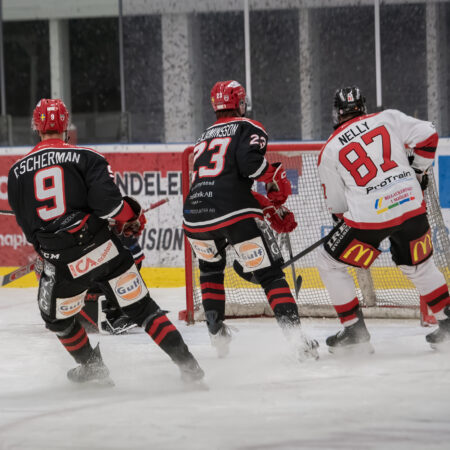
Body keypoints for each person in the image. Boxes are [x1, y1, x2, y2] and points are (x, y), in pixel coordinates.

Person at [8, 98, 204, 384]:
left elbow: (30, 229)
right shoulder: (87, 157)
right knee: (143, 308)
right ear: (66, 126)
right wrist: (130, 217)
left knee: (57, 320)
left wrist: (48, 251)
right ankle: (189, 367)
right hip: (102, 248)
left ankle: (93, 367)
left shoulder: (16, 172)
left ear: (36, 127)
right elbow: (111, 206)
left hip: (61, 260)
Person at [182, 80, 318, 361]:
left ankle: (217, 335)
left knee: (210, 271)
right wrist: (275, 175)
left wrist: (266, 206)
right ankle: (297, 342)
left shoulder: (202, 137)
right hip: (233, 213)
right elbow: (251, 166)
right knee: (270, 275)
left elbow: (220, 185)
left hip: (195, 217)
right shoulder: (247, 126)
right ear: (240, 103)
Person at [317, 86, 450, 353]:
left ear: (337, 112)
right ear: (363, 106)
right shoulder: (388, 117)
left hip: (368, 218)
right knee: (420, 267)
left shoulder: (330, 148)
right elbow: (429, 134)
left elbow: (338, 208)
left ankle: (354, 332)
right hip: (411, 205)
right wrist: (418, 171)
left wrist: (349, 223)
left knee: (329, 262)